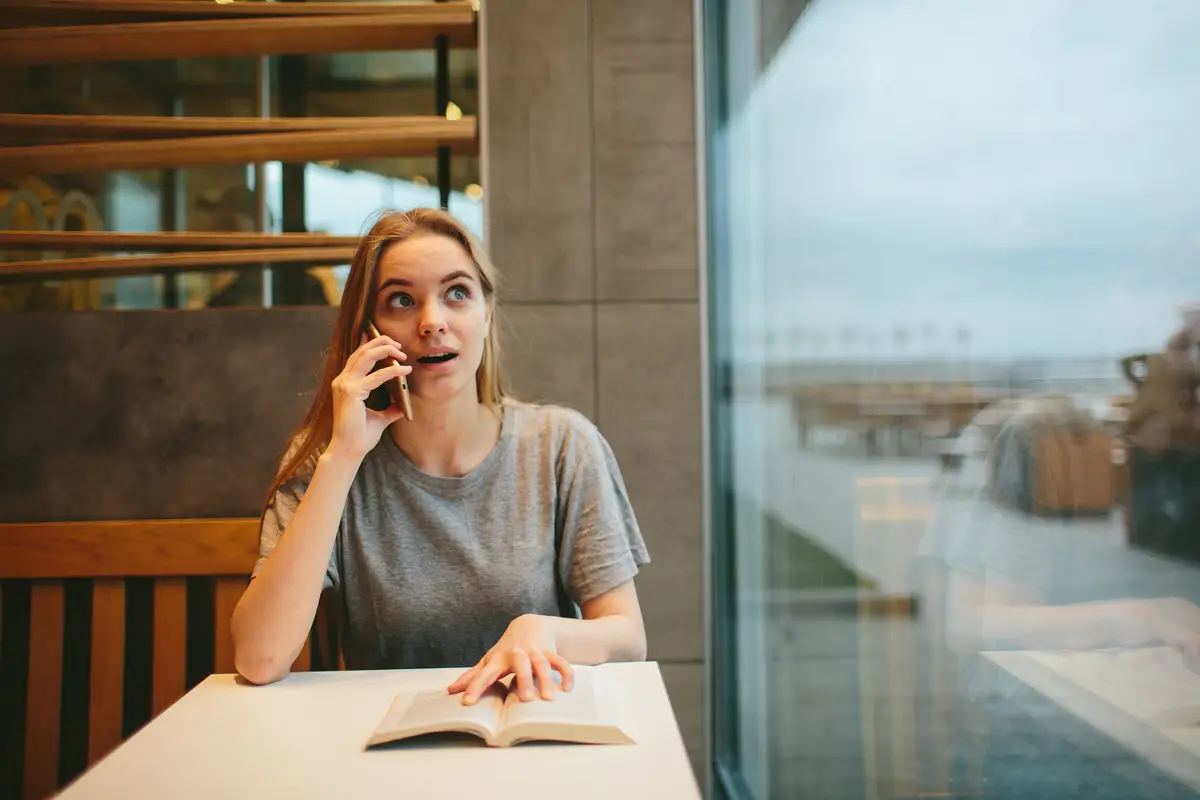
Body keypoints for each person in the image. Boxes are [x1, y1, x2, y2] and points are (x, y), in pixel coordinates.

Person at [231, 208, 650, 705]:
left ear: (486, 313)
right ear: (366, 331)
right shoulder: (326, 465)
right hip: (386, 752)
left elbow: (628, 639)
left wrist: (544, 632)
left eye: (457, 293)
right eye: (401, 300)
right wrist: (343, 456)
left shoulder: (562, 445)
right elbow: (259, 659)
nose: (432, 322)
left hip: (534, 745)